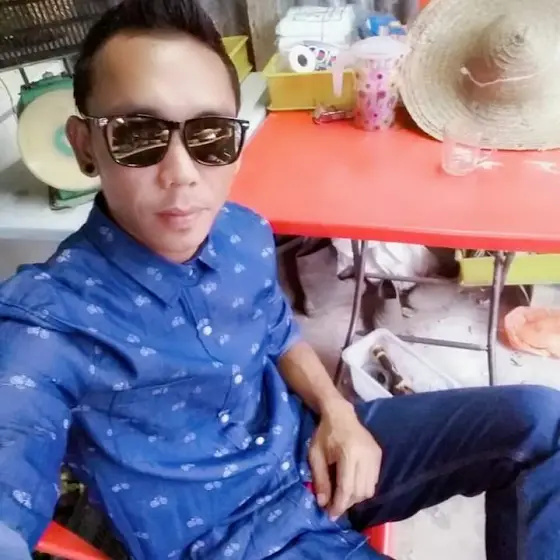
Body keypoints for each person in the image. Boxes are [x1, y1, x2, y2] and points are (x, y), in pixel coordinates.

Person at [0, 1, 559, 558]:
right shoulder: (47, 323)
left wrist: (338, 412)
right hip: (238, 542)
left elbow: (277, 332)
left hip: (311, 452)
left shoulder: (241, 233)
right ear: (85, 146)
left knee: (544, 422)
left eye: (210, 135)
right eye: (138, 134)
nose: (182, 173)